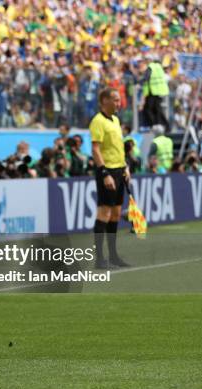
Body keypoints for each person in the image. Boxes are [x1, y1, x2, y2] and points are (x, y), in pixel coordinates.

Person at [90, 88, 130, 269]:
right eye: (115, 99)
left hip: (119, 170)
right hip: (107, 172)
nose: (118, 102)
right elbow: (96, 149)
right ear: (104, 100)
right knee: (104, 213)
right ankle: (99, 259)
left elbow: (117, 147)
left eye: (118, 99)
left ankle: (113, 255)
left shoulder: (116, 120)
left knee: (115, 213)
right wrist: (104, 173)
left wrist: (125, 166)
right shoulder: (97, 121)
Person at [140, 56, 170, 131]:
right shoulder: (159, 67)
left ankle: (155, 125)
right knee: (157, 109)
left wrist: (139, 82)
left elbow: (146, 78)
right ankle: (165, 126)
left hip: (153, 91)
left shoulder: (150, 67)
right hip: (160, 91)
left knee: (149, 109)